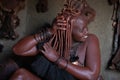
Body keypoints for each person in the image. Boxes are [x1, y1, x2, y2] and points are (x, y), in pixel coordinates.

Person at [10, 0, 102, 80]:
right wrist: (49, 32)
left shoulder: (90, 40)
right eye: (83, 29)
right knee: (20, 75)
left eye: (87, 27)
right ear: (67, 29)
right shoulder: (52, 40)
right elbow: (17, 50)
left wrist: (57, 59)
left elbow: (92, 76)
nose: (87, 31)